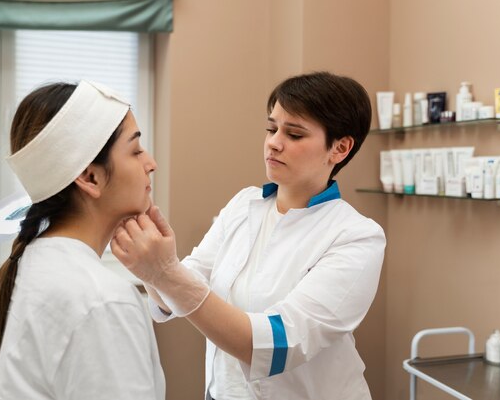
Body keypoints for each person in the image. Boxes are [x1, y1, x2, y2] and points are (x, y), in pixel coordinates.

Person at [112, 71, 386, 400]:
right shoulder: (244, 203)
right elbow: (184, 287)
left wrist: (163, 272)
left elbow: (280, 344)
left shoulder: (356, 236)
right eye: (271, 128)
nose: (274, 141)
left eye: (294, 134)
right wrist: (150, 268)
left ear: (339, 149)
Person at [0, 81, 164, 400]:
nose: (151, 163)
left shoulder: (30, 262)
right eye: (135, 150)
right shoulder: (103, 301)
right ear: (90, 177)